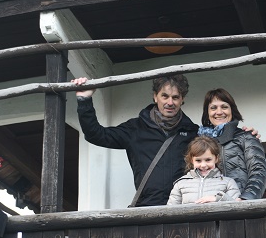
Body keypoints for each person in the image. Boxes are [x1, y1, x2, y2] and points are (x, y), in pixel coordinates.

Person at [73, 75, 198, 207]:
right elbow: (96, 135)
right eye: (165, 96)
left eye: (175, 97)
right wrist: (84, 99)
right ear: (155, 97)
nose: (170, 102)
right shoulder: (136, 128)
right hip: (146, 209)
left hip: (182, 208)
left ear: (182, 99)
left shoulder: (192, 132)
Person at [199, 88, 266, 200]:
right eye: (213, 108)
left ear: (232, 110)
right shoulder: (200, 142)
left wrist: (245, 199)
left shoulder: (247, 137)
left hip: (239, 205)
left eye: (224, 107)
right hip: (208, 206)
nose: (219, 112)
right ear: (207, 113)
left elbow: (258, 172)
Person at [167, 137, 241, 204]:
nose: (203, 165)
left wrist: (217, 199)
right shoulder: (180, 184)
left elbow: (237, 208)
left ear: (216, 158)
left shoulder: (228, 183)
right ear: (192, 160)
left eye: (208, 160)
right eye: (198, 160)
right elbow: (170, 211)